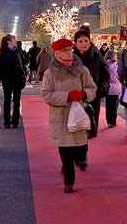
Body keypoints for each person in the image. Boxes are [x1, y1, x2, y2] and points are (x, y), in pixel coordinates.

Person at [40, 38, 97, 194]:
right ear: (57, 53)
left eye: (70, 49)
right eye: (65, 50)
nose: (69, 53)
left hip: (79, 113)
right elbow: (46, 95)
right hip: (60, 116)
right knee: (65, 150)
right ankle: (69, 180)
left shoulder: (82, 70)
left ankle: (80, 159)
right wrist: (66, 97)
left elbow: (92, 88)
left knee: (80, 147)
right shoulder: (50, 73)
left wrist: (84, 94)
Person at [72, 26, 109, 138]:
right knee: (76, 130)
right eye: (80, 41)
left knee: (90, 130)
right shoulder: (71, 58)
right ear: (76, 43)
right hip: (75, 97)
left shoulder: (97, 56)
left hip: (92, 97)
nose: (84, 44)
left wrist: (100, 90)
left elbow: (106, 75)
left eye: (86, 40)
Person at [0, 34, 27, 128]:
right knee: (7, 100)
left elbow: (23, 64)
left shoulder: (18, 52)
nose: (16, 40)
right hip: (7, 79)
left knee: (17, 101)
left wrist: (23, 76)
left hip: (17, 79)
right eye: (14, 39)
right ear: (9, 41)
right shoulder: (3, 53)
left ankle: (15, 121)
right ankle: (7, 121)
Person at [104, 50, 122, 127]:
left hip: (107, 88)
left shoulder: (104, 65)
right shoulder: (116, 66)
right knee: (115, 105)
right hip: (116, 88)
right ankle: (113, 120)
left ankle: (109, 121)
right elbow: (118, 76)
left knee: (108, 105)